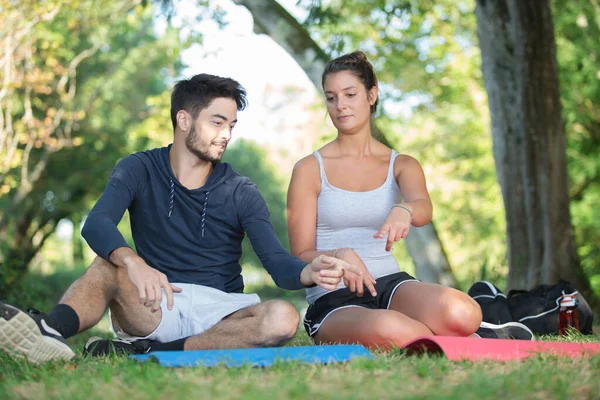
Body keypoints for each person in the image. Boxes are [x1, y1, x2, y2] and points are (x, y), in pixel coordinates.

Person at [0, 74, 360, 363]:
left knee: (283, 317)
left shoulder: (241, 190)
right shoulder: (138, 168)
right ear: (183, 119)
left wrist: (306, 272)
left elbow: (276, 262)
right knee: (108, 264)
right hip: (155, 303)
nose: (226, 135)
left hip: (222, 312)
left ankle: (150, 353)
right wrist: (133, 262)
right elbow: (96, 224)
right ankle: (46, 330)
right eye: (217, 122)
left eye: (232, 125)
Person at [286, 51, 534, 350]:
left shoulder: (402, 164)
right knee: (393, 329)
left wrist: (404, 209)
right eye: (331, 97)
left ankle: (467, 331)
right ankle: (469, 338)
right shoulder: (309, 169)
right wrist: (338, 255)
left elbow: (423, 207)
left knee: (463, 311)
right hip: (333, 300)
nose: (340, 105)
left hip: (391, 285)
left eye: (350, 94)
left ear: (372, 94)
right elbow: (299, 254)